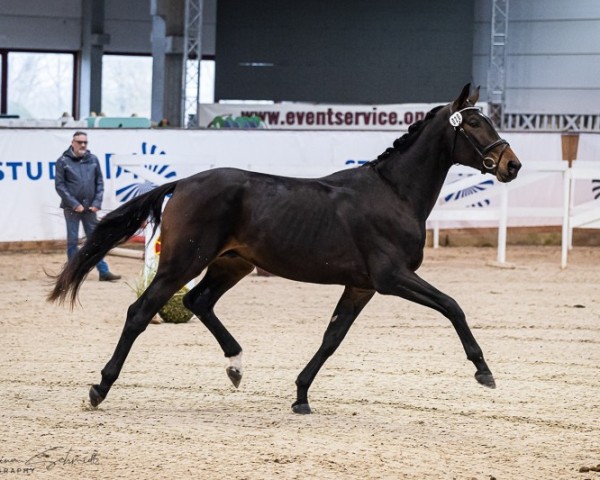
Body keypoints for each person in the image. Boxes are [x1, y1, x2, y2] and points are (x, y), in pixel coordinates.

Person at [54, 131, 121, 282]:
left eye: (85, 142)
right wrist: (74, 204)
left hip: (90, 208)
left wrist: (97, 203)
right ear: (72, 143)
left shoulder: (93, 159)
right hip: (71, 209)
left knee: (96, 240)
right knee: (73, 241)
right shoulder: (63, 161)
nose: (83, 145)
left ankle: (103, 271)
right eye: (79, 142)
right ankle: (72, 273)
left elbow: (99, 183)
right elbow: (60, 186)